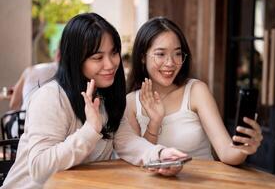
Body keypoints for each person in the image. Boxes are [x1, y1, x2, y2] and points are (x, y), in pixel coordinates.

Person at [1, 13, 186, 189]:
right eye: (98, 57)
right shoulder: (51, 97)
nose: (110, 64)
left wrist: (161, 155)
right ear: (76, 60)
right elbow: (39, 169)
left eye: (113, 53)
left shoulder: (105, 95)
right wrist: (90, 130)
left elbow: (127, 141)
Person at [124, 16, 263, 165]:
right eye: (160, 54)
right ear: (142, 58)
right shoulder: (131, 102)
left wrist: (244, 147)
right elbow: (138, 160)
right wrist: (154, 122)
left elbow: (226, 153)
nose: (170, 63)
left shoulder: (196, 91)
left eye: (177, 53)